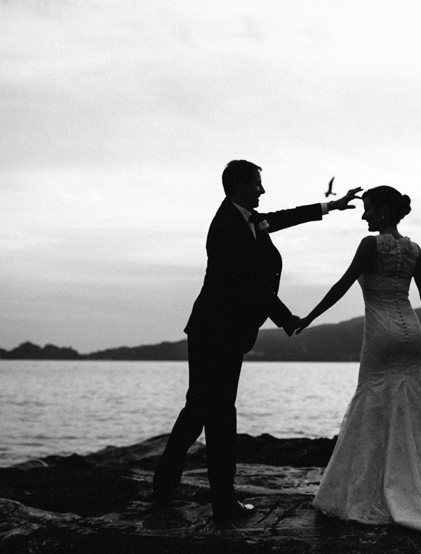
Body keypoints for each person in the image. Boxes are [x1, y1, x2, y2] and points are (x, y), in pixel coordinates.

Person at [152, 160, 360, 524]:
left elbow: (284, 217)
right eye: (257, 184)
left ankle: (165, 491)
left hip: (217, 331)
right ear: (239, 185)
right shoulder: (227, 226)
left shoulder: (247, 218)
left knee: (198, 411)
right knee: (218, 415)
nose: (263, 191)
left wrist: (332, 205)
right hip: (217, 332)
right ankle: (221, 502)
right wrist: (287, 319)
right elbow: (251, 284)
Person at [294, 186, 421, 537]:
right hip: (412, 333)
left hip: (380, 333)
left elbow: (343, 284)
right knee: (408, 405)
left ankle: (370, 491)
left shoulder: (370, 246)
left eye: (368, 209)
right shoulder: (414, 249)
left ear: (384, 211)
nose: (364, 216)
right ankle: (413, 482)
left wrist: (309, 317)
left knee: (373, 400)